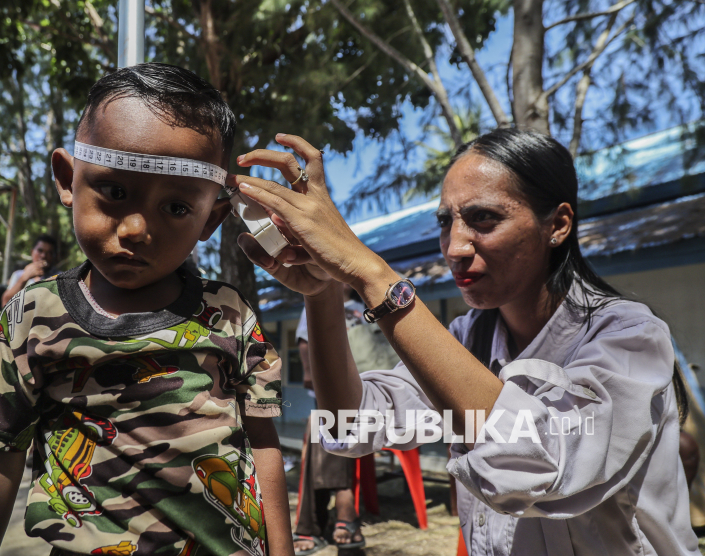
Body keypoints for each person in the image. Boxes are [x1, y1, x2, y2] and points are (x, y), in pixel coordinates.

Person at [231, 129, 699, 555]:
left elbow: (544, 464)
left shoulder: (627, 336)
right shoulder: (467, 339)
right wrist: (323, 293)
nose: (455, 247)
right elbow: (351, 423)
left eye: (484, 219)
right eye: (446, 221)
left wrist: (371, 275)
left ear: (557, 225)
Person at [0, 63, 292, 556]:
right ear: (68, 179)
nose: (136, 229)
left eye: (176, 208)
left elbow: (261, 441)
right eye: (115, 192)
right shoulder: (30, 316)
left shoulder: (229, 314)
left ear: (210, 220)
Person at [293, 284, 366, 555]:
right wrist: (307, 371)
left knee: (321, 427)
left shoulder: (365, 306)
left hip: (369, 396)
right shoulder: (316, 300)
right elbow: (304, 341)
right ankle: (345, 507)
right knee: (323, 424)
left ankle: (310, 526)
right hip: (332, 395)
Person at [1, 234, 58, 305]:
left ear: (53, 257)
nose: (43, 256)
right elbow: (5, 303)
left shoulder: (58, 277)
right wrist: (24, 278)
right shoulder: (18, 275)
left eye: (49, 253)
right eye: (40, 250)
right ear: (32, 252)